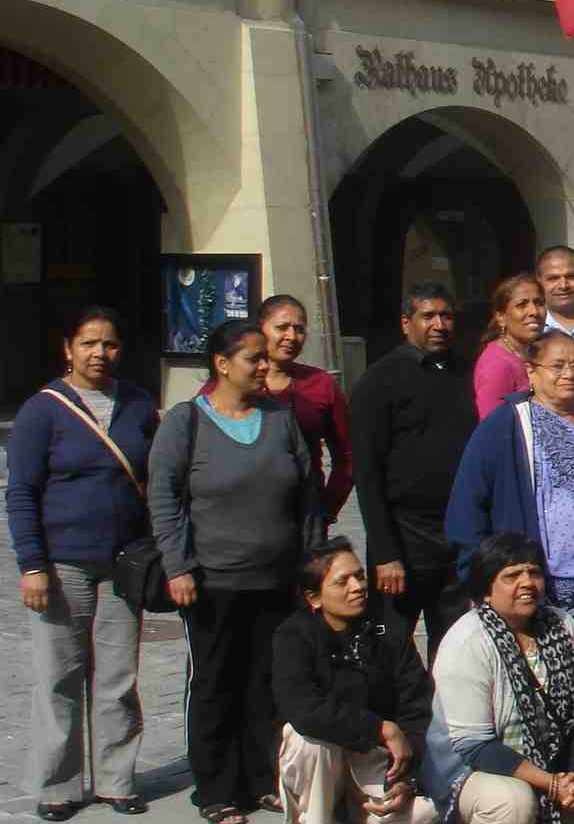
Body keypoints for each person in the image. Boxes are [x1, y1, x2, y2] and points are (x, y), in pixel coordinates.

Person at [444, 328, 574, 824]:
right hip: (545, 589)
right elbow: (467, 506)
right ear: (531, 373)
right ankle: (546, 796)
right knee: (549, 698)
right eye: (556, 366)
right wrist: (482, 577)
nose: (568, 374)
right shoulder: (508, 425)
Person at [149, 318, 324, 824]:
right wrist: (178, 565)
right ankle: (216, 787)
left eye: (265, 356)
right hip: (213, 581)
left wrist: (313, 566)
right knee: (215, 682)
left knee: (266, 681)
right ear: (222, 364)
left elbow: (308, 497)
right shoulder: (186, 422)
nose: (265, 365)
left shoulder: (280, 420)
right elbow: (163, 498)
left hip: (277, 579)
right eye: (254, 358)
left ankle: (261, 778)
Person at [6, 307, 157, 822]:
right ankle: (59, 785)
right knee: (59, 676)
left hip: (124, 563)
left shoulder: (138, 404)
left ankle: (117, 779)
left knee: (118, 676)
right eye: (89, 343)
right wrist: (32, 565)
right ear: (68, 349)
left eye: (109, 344)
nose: (99, 353)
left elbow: (154, 479)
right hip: (62, 564)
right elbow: (21, 493)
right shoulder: (41, 411)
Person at [422, 533, 574, 824]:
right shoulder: (467, 641)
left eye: (533, 573)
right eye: (511, 575)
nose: (526, 583)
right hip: (471, 771)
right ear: (487, 590)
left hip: (548, 770)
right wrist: (552, 784)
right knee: (513, 806)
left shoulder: (565, 628)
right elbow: (475, 746)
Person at [270, 538, 438, 824]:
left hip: (373, 758)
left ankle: (358, 816)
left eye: (360, 576)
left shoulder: (386, 627)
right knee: (309, 741)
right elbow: (305, 709)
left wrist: (407, 778)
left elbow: (417, 704)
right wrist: (380, 728)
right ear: (314, 598)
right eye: (342, 581)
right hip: (323, 752)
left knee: (426, 814)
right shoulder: (294, 635)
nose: (358, 587)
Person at [349, 282, 476, 658]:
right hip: (403, 536)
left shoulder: (464, 373)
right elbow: (367, 474)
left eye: (446, 316)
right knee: (388, 643)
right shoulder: (379, 381)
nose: (439, 324)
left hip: (454, 533)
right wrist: (385, 553)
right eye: (428, 316)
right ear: (407, 322)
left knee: (454, 645)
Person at [203, 295, 352, 525]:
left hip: (303, 515)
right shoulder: (227, 385)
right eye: (282, 327)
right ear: (260, 328)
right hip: (237, 517)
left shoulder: (321, 384)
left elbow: (347, 455)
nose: (291, 336)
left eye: (299, 329)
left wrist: (327, 508)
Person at [473, 273, 547, 420]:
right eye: (522, 305)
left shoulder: (536, 352)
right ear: (501, 317)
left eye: (539, 303)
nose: (533, 312)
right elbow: (493, 426)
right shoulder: (495, 365)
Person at [537, 245, 574, 338]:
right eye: (553, 278)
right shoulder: (530, 329)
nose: (563, 286)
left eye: (571, 276)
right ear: (538, 284)